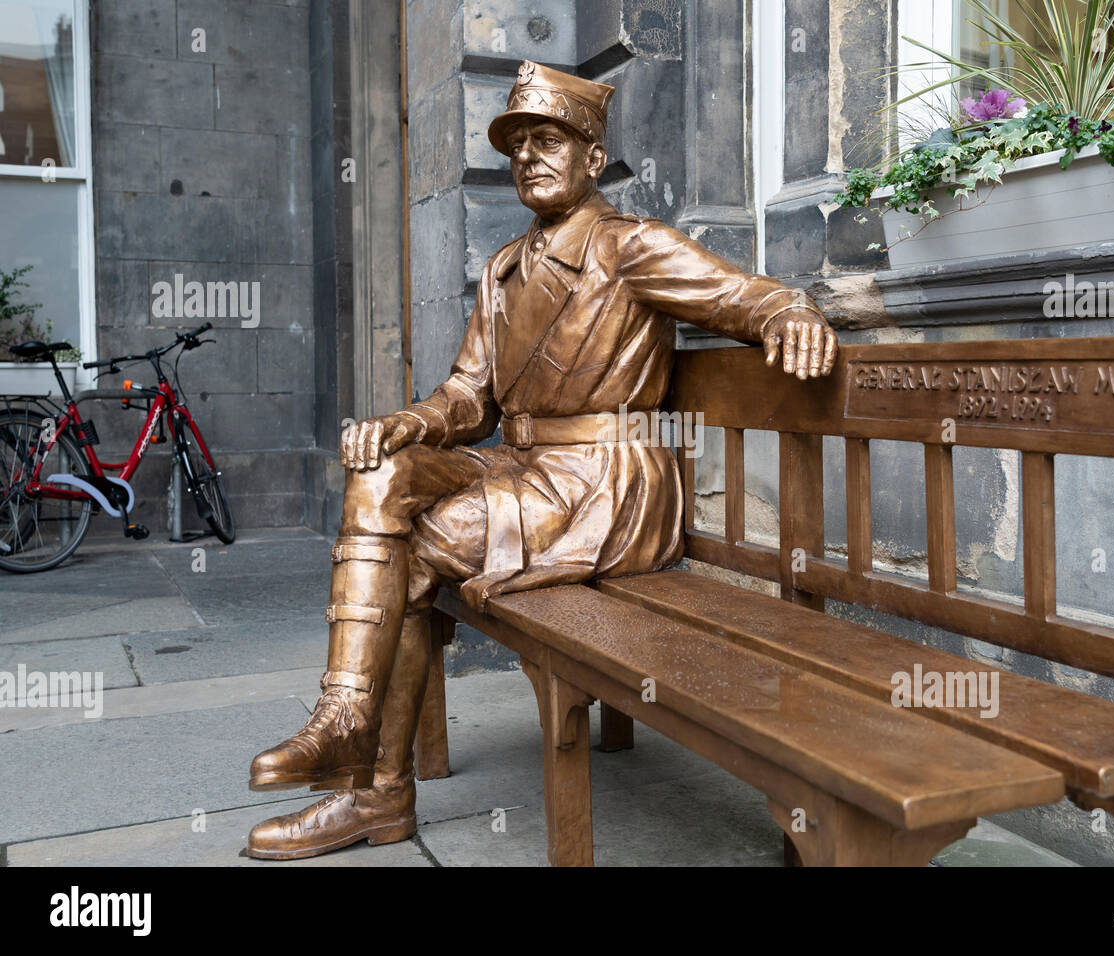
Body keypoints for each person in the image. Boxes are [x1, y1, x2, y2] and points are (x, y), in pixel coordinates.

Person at [245, 60, 838, 859]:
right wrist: (404, 424)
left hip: (609, 483)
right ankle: (345, 717)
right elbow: (468, 400)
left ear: (594, 159)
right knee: (384, 476)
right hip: (527, 471)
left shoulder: (631, 248)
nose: (527, 155)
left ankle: (376, 791)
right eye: (516, 142)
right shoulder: (502, 271)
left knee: (415, 550)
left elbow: (742, 296)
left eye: (548, 138)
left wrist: (792, 312)